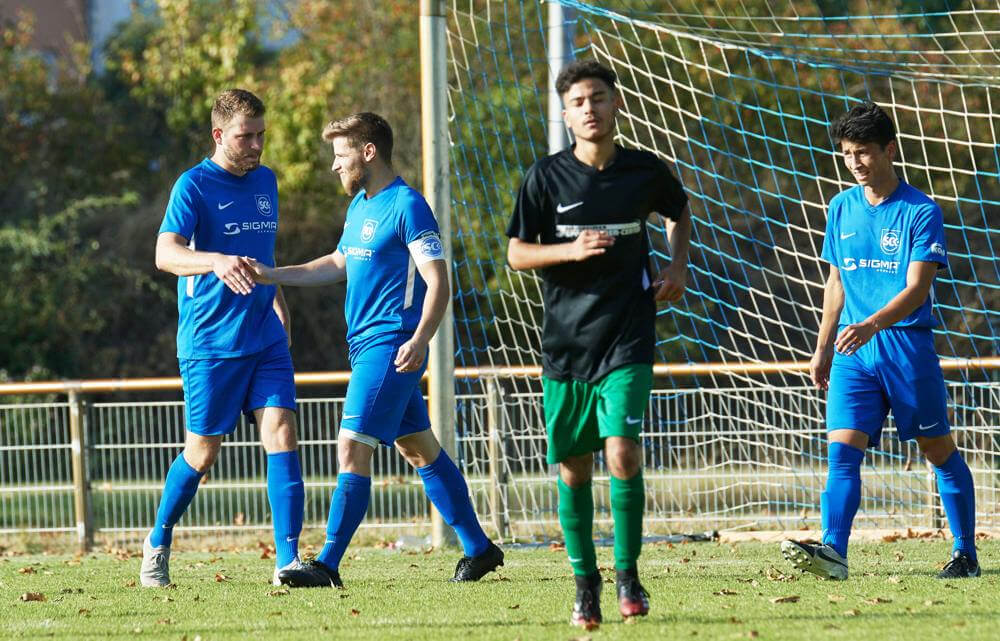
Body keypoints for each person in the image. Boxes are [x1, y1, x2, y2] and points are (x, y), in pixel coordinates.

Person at [249, 112, 503, 589]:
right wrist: (273, 274)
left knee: (351, 446)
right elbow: (335, 263)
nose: (334, 166)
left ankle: (326, 564)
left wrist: (420, 337)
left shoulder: (408, 206)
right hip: (366, 347)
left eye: (340, 155)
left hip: (391, 346)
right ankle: (480, 548)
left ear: (368, 153)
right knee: (419, 449)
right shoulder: (361, 207)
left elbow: (438, 282)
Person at [506, 60, 691, 628]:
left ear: (616, 105)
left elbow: (678, 211)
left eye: (599, 98)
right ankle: (584, 584)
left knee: (622, 452)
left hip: (629, 336)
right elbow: (516, 253)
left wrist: (678, 267)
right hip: (565, 346)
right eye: (579, 101)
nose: (590, 108)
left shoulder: (645, 171)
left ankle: (628, 575)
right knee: (573, 470)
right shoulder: (545, 178)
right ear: (565, 114)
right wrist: (568, 251)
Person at [781, 101, 979, 580]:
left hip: (905, 349)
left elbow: (917, 289)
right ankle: (834, 553)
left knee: (937, 450)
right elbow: (836, 282)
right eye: (847, 153)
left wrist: (871, 324)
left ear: (890, 149)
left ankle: (966, 553)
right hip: (854, 354)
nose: (855, 162)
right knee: (842, 451)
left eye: (864, 151)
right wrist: (823, 345)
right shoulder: (840, 207)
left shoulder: (920, 211)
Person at [141, 88, 308, 588]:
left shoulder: (267, 182)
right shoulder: (192, 186)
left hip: (265, 336)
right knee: (203, 452)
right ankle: (157, 541)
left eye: (261, 134)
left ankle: (288, 562)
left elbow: (263, 256)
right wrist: (213, 260)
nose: (256, 145)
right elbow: (164, 254)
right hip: (210, 344)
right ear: (219, 135)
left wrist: (277, 298)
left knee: (281, 431)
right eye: (245, 136)